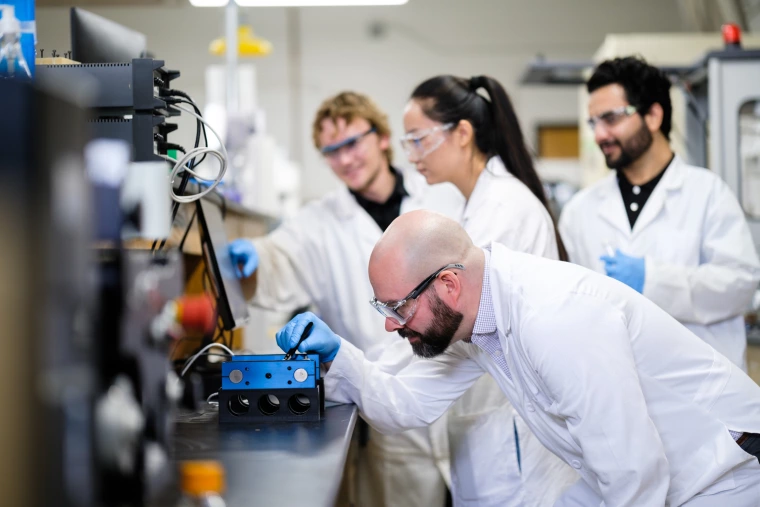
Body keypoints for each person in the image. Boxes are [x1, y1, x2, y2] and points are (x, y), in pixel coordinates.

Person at [276, 210, 760, 506]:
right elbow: (407, 405)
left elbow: (634, 474)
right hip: (645, 478)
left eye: (398, 307)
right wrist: (339, 357)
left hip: (722, 475)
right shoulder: (474, 321)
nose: (390, 324)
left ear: (448, 284)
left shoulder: (554, 317)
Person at [227, 92, 454, 507]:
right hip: (386, 406)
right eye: (330, 152)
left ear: (383, 137)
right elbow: (283, 252)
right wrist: (257, 256)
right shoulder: (321, 219)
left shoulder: (436, 195)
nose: (344, 159)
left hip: (455, 394)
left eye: (351, 143)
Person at [400, 74, 577, 506]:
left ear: (462, 133)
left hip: (512, 428)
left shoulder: (504, 210)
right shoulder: (480, 203)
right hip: (489, 419)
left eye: (418, 139)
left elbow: (446, 317)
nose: (411, 155)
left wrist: (366, 370)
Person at [559, 56, 760, 369]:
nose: (599, 135)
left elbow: (740, 284)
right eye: (593, 123)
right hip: (617, 388)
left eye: (611, 118)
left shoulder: (707, 193)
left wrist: (653, 280)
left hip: (700, 393)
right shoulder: (580, 211)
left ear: (653, 115)